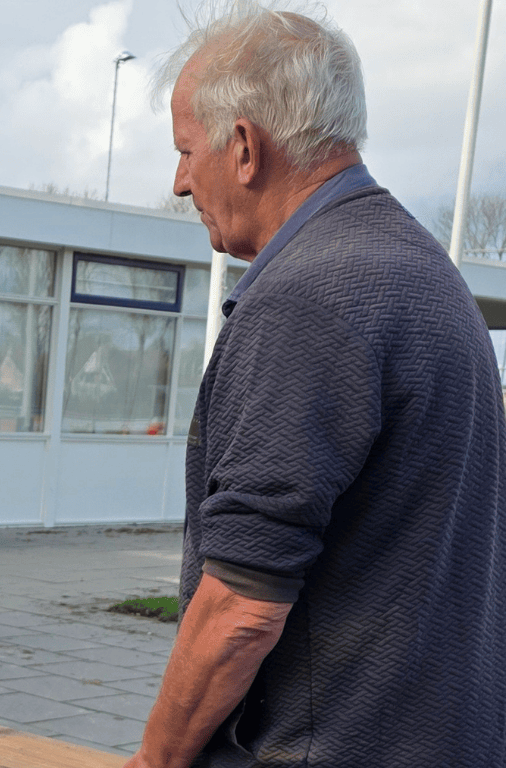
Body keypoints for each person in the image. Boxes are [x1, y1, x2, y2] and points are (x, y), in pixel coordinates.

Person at [127, 3, 506, 767]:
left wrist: (154, 762)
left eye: (184, 150)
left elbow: (239, 604)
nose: (177, 181)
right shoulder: (427, 273)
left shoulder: (308, 297)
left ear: (243, 148)